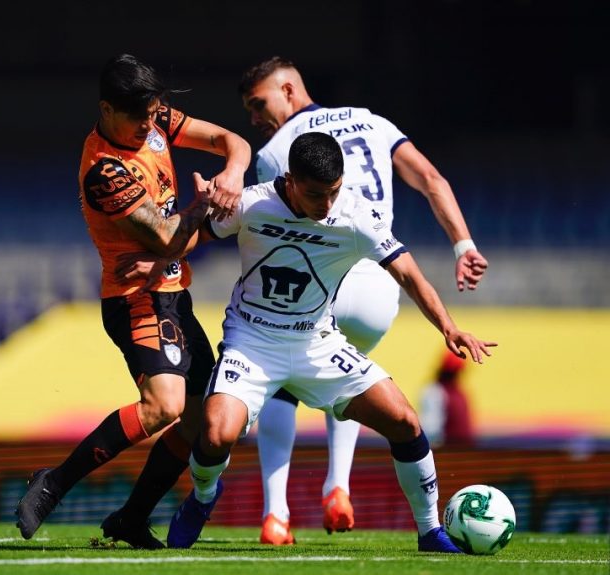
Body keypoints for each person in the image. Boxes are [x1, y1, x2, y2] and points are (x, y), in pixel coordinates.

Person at [165, 132, 496, 552]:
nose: (326, 204)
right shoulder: (252, 203)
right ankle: (203, 498)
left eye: (333, 192)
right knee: (215, 435)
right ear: (290, 181)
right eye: (315, 194)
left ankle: (430, 532)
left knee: (405, 422)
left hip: (317, 343)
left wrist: (449, 327)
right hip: (252, 342)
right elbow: (192, 239)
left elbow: (408, 274)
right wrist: (194, 215)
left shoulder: (356, 215)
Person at [237, 56, 489, 544]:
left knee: (281, 383)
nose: (254, 116)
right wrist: (463, 245)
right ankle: (338, 485)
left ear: (287, 90)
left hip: (322, 280)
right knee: (349, 379)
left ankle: (276, 513)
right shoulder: (373, 121)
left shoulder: (279, 150)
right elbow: (432, 180)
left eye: (257, 103)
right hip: (379, 290)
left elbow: (270, 233)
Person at [14, 53, 251, 548]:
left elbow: (233, 141)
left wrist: (232, 173)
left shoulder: (154, 116)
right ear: (106, 109)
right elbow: (167, 236)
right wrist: (202, 207)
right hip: (135, 299)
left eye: (153, 113)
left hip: (173, 295)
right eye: (139, 116)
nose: (150, 124)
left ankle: (131, 517)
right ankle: (54, 483)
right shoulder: (104, 170)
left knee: (199, 421)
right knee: (164, 405)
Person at [420, 349, 474, 447]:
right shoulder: (434, 392)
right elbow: (431, 429)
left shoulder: (459, 392)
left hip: (464, 449)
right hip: (446, 451)